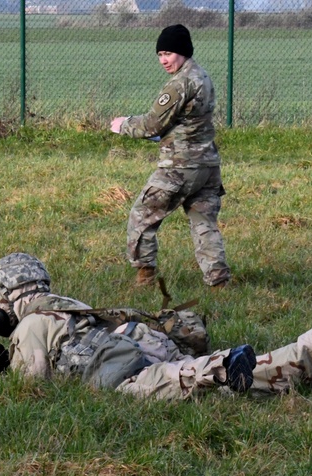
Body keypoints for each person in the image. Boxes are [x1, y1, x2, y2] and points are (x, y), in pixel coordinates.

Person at [0, 253, 312, 401]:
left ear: (5, 296)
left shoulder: (31, 325)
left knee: (205, 380)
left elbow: (31, 388)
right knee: (235, 391)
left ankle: (219, 366)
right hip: (147, 344)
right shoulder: (66, 306)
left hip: (127, 370)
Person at [110, 24, 231, 289]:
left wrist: (123, 124)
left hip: (180, 166)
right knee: (204, 224)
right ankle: (219, 282)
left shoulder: (180, 83)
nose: (164, 60)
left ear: (182, 51)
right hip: (208, 165)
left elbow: (152, 124)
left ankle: (145, 277)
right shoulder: (203, 76)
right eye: (160, 54)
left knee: (142, 216)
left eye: (168, 53)